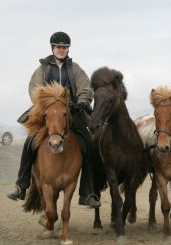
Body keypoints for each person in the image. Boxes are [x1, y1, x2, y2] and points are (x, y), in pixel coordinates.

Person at [6, 31, 101, 208]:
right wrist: (45, 105)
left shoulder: (75, 69)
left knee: (88, 145)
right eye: (58, 47)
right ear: (52, 48)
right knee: (29, 143)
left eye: (65, 47)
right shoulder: (42, 69)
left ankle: (87, 193)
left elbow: (85, 89)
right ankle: (21, 185)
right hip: (47, 113)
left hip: (71, 113)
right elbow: (35, 89)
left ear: (68, 50)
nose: (61, 50)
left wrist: (81, 103)